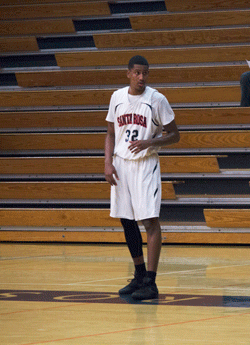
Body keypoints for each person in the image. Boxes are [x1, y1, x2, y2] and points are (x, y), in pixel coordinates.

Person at [104, 55, 180, 300]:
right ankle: (138, 275)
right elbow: (110, 134)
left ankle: (151, 280)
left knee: (149, 220)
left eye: (145, 73)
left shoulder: (157, 99)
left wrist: (151, 141)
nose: (141, 77)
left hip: (145, 165)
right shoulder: (117, 97)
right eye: (137, 73)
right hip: (121, 164)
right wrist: (107, 163)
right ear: (128, 73)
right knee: (126, 220)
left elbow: (175, 135)